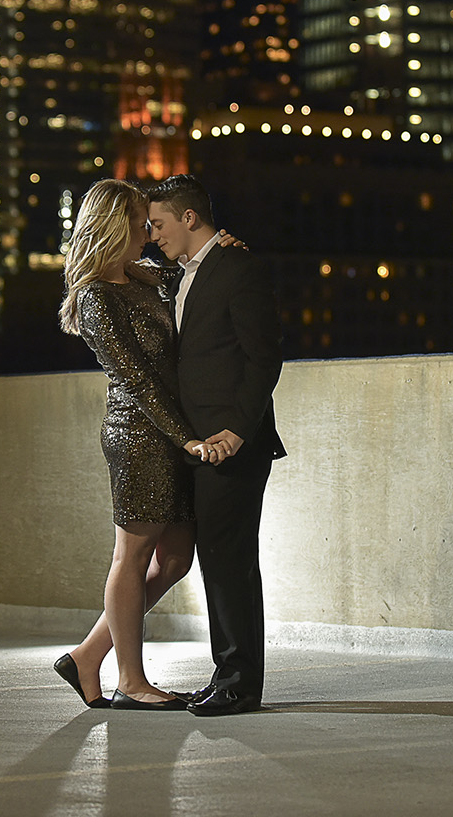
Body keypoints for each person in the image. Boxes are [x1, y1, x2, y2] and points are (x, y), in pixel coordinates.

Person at [54, 178, 225, 712]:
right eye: (138, 225)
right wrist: (189, 438)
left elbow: (193, 267)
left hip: (170, 432)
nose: (148, 234)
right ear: (112, 229)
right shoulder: (96, 296)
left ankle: (87, 655)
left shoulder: (144, 278)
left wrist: (222, 244)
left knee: (174, 559)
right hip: (138, 435)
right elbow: (137, 379)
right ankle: (130, 679)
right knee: (133, 555)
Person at [147, 174, 285, 716]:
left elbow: (263, 358)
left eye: (158, 224)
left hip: (232, 444)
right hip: (196, 445)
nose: (152, 234)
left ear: (189, 218)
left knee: (230, 562)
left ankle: (240, 682)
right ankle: (226, 671)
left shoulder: (238, 268)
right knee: (214, 560)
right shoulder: (177, 276)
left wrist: (238, 430)